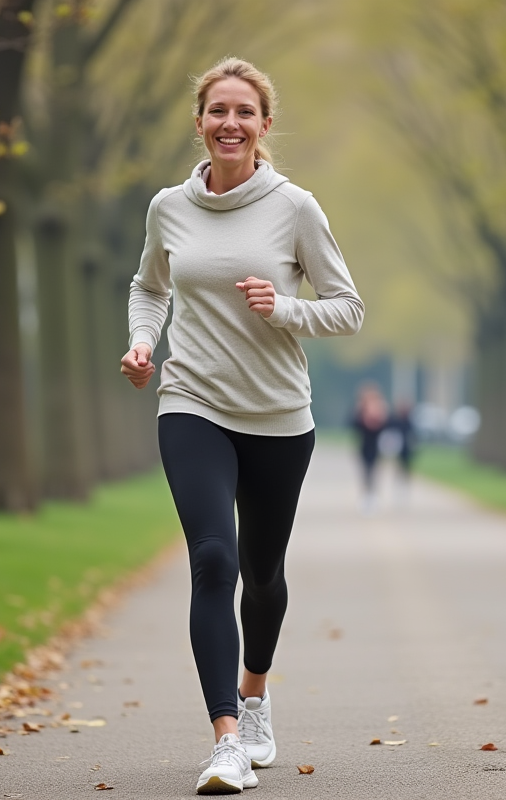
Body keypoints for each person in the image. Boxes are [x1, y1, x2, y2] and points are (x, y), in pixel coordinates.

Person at [120, 56, 364, 795]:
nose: (230, 123)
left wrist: (284, 308)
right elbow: (148, 285)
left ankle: (255, 697)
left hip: (279, 418)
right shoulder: (169, 206)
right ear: (199, 122)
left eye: (244, 112)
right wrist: (141, 342)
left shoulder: (295, 208)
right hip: (191, 401)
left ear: (264, 126)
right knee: (213, 561)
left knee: (261, 575)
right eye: (217, 110)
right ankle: (225, 738)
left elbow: (347, 308)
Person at [351, 383, 388, 513]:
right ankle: (366, 496)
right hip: (364, 446)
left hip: (377, 447)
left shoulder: (380, 410)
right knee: (365, 472)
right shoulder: (361, 411)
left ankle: (373, 496)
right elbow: (354, 425)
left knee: (374, 471)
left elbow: (386, 426)